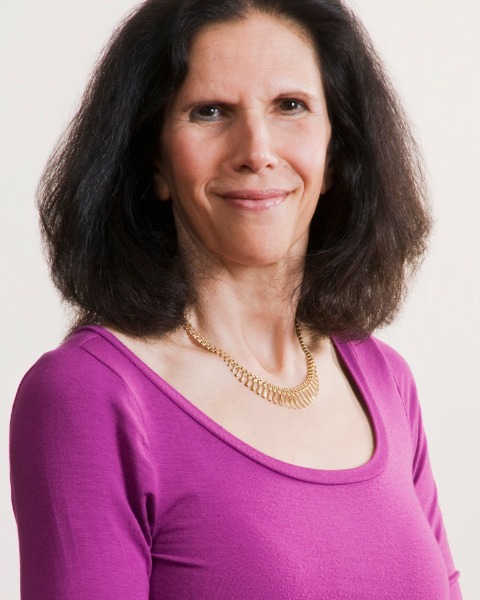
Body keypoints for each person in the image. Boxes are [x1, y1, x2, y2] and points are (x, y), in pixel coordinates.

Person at [9, 0, 462, 598]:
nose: (257, 150)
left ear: (335, 153)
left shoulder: (385, 380)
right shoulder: (90, 396)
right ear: (154, 162)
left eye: (291, 106)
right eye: (211, 111)